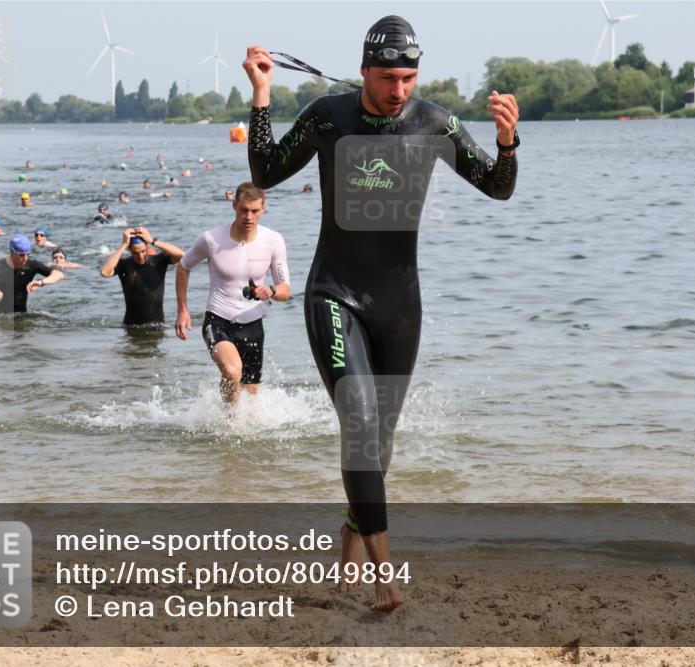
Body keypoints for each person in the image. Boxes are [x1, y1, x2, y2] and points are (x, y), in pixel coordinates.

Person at [243, 15, 519, 611]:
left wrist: (506, 140)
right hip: (333, 293)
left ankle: (350, 543)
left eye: (409, 78)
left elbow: (498, 187)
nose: (400, 90)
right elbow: (263, 172)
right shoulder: (328, 116)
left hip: (400, 306)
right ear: (364, 70)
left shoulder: (434, 122)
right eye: (389, 77)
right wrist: (262, 95)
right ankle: (384, 575)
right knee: (361, 429)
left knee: (378, 445)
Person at [174, 182, 291, 404]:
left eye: (255, 211)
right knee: (232, 370)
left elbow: (285, 290)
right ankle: (230, 424)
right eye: (244, 210)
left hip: (253, 324)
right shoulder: (211, 239)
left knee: (251, 395)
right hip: (218, 319)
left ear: (263, 209)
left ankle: (229, 421)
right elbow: (183, 267)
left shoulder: (273, 240)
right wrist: (183, 310)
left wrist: (271, 290)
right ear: (234, 205)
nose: (249, 216)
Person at [100, 227, 184, 326]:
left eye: (143, 251)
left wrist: (153, 241)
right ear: (129, 250)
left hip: (158, 325)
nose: (140, 256)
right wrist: (123, 244)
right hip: (131, 326)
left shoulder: (158, 261)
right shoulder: (124, 265)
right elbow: (104, 272)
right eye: (136, 253)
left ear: (147, 247)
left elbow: (182, 255)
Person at [0, 234, 64, 315]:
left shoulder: (31, 265)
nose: (25, 258)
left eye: (27, 254)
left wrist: (41, 282)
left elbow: (59, 274)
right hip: (0, 317)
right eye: (21, 255)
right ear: (12, 253)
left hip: (22, 315)